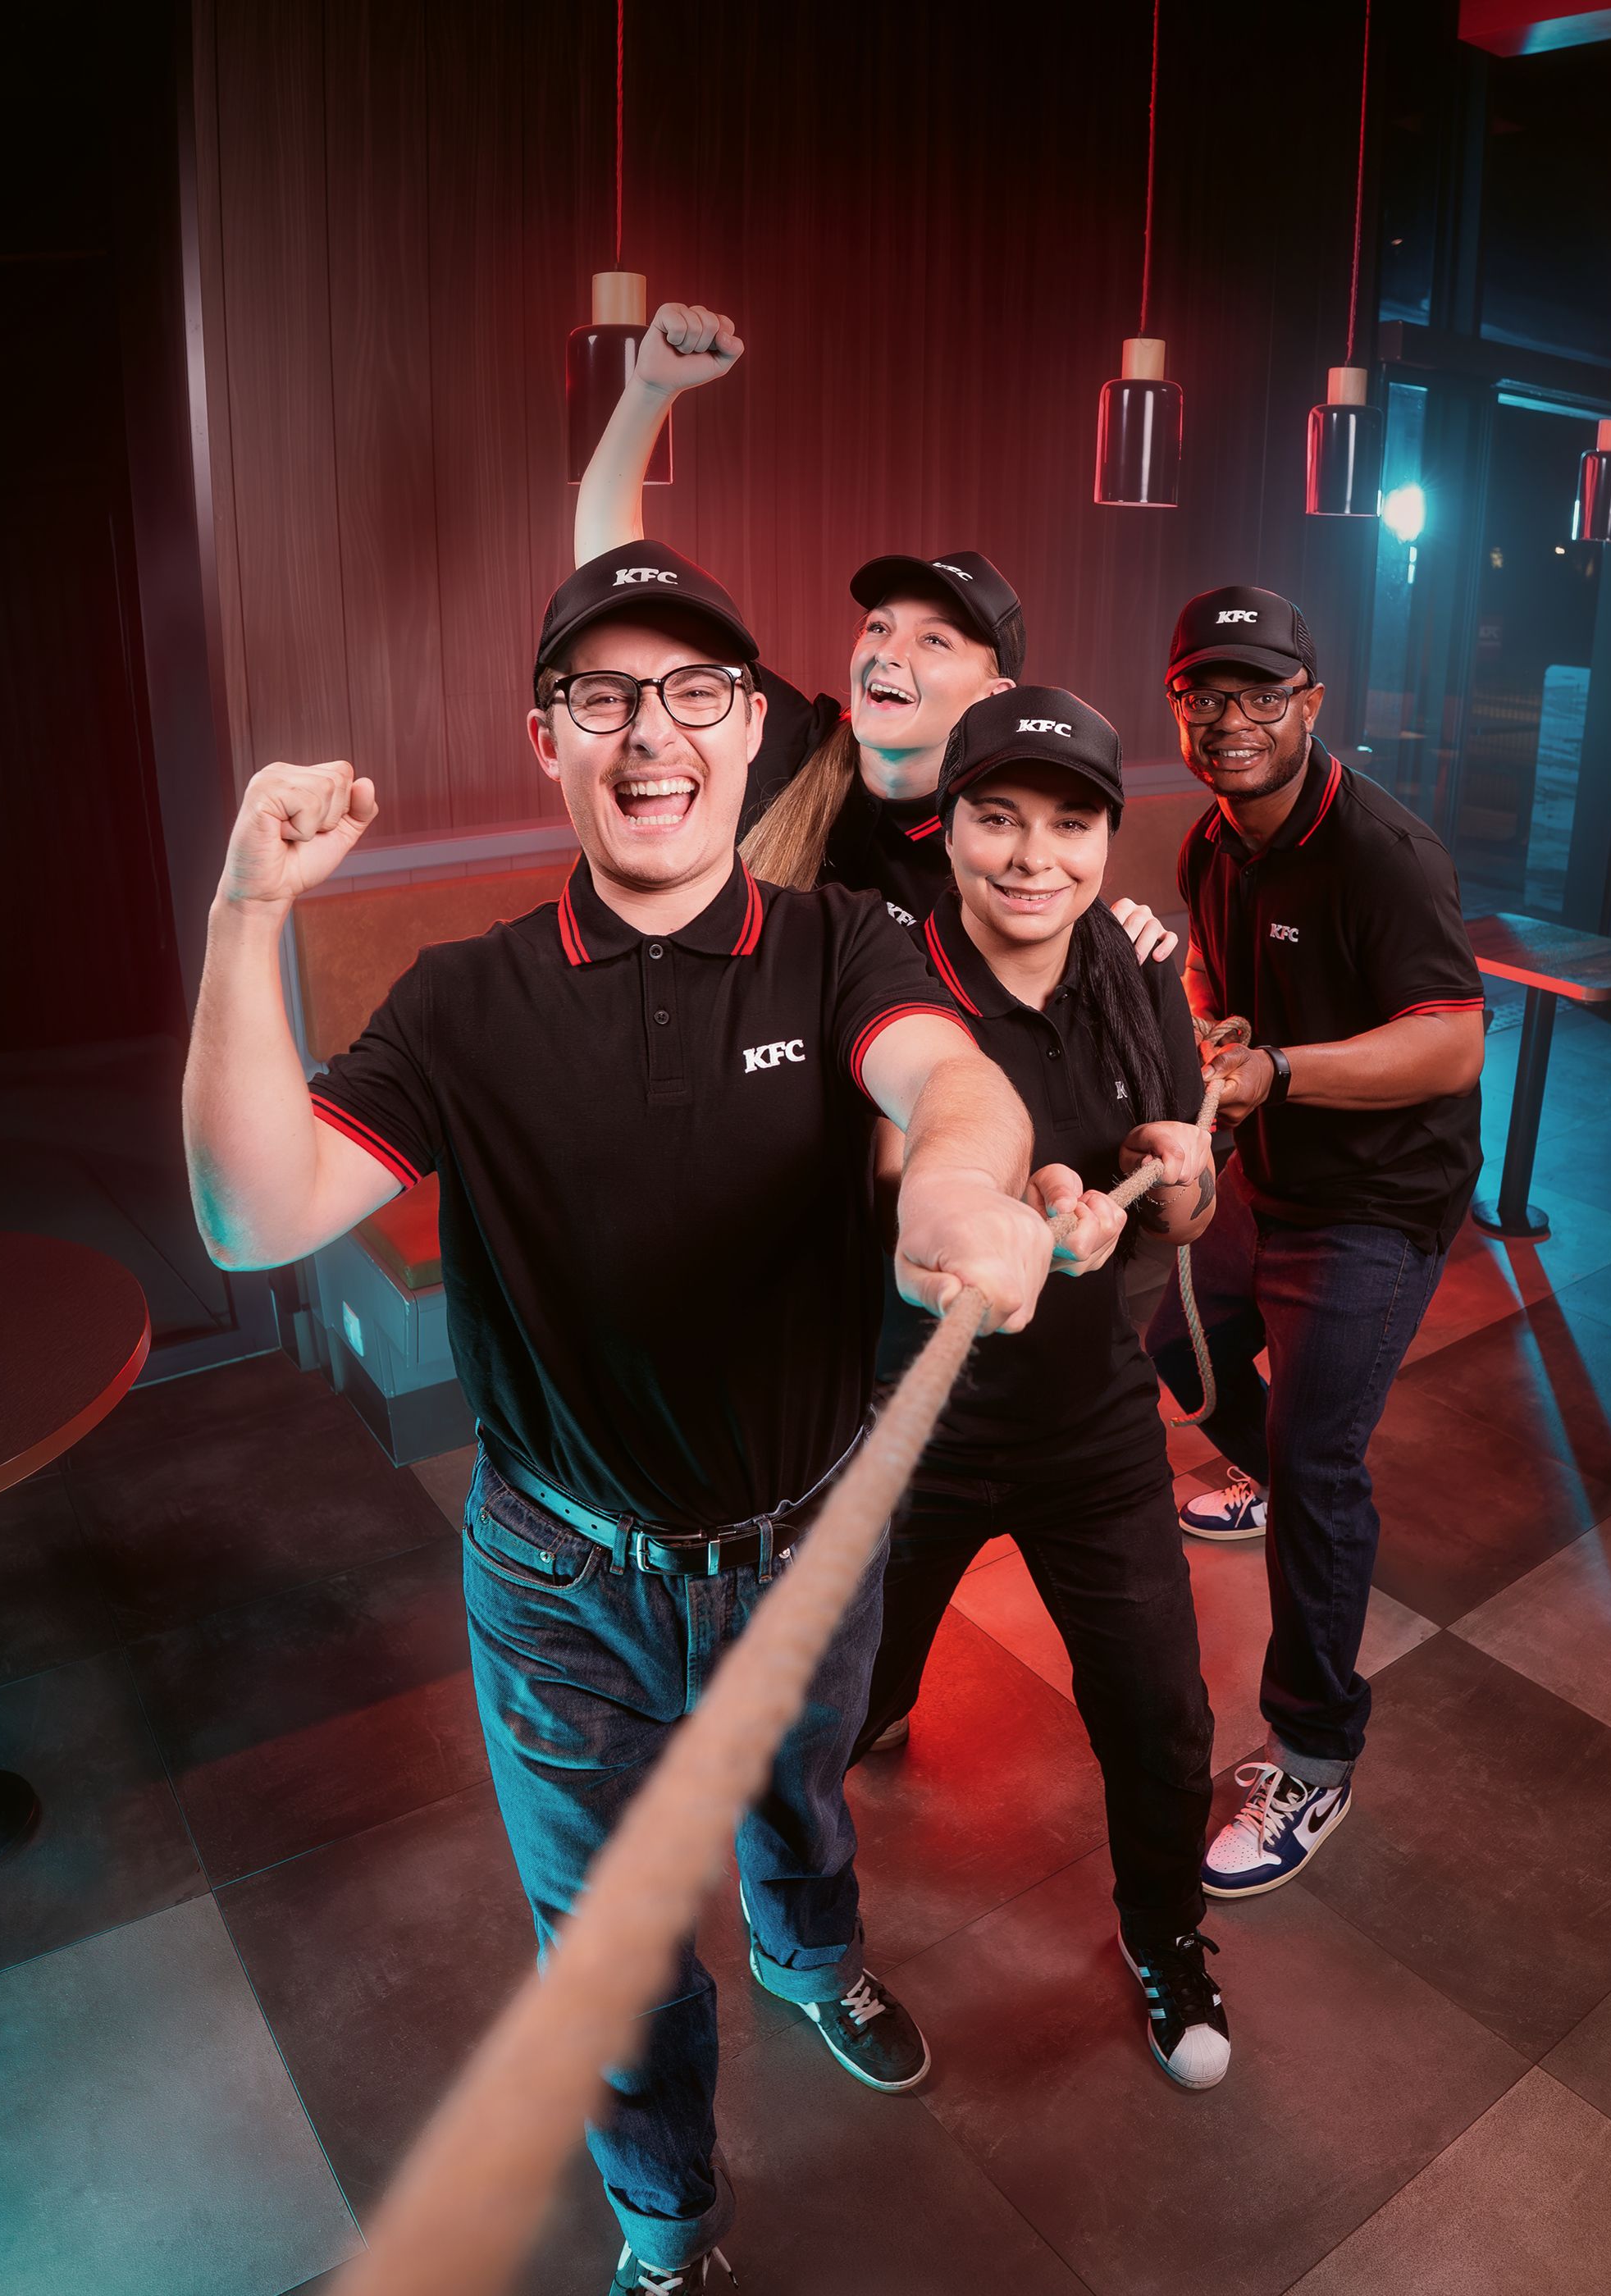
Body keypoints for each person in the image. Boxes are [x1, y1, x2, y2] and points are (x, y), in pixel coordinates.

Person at [182, 541, 1054, 2296]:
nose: (648, 734)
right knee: (609, 1945)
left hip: (802, 1542)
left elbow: (947, 1077)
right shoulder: (463, 999)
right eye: (602, 699)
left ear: (752, 733)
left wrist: (964, 1183)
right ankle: (669, 2218)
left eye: (690, 695)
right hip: (560, 1577)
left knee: (801, 1801)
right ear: (546, 742)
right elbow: (246, 1212)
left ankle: (811, 1957)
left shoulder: (839, 943)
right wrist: (247, 911)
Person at [854, 685, 1234, 2090]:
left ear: (1105, 836)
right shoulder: (880, 984)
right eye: (995, 818)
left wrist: (1184, 1180)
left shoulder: (1135, 969)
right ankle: (813, 1939)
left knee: (1159, 1709)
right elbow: (895, 1169)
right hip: (914, 1432)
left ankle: (1166, 1938)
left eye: (1070, 822)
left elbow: (1186, 1203)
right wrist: (988, 1204)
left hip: (1091, 1427)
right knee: (843, 1704)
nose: (1032, 855)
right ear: (942, 830)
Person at [1146, 585, 1485, 1900]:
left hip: (1377, 1203)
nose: (1231, 719)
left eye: (1258, 693)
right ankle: (1273, 1467)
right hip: (1271, 1175)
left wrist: (1276, 1071)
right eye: (1204, 694)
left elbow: (1450, 1037)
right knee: (1172, 1324)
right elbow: (1209, 982)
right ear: (1178, 705)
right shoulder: (1209, 843)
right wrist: (1208, 1028)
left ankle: (1317, 1753)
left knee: (1322, 1464)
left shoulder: (1380, 852)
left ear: (1311, 702)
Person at [572, 301, 1180, 963]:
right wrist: (649, 391)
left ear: (992, 697)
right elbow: (617, 583)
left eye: (934, 640)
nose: (886, 653)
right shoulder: (787, 746)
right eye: (878, 627)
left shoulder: (991, 853)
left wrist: (1122, 954)